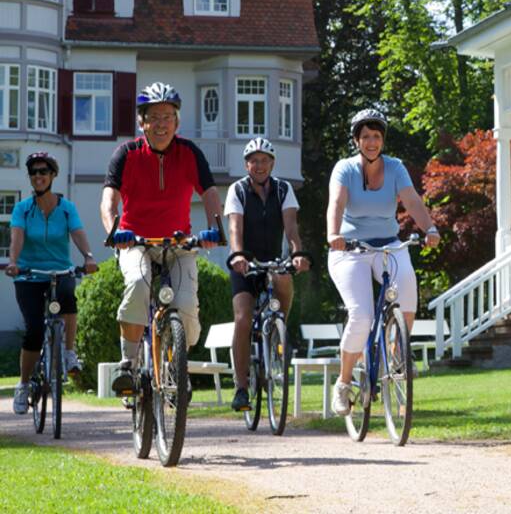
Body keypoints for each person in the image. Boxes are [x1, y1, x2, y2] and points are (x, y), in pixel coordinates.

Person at [100, 82, 223, 396]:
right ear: (142, 123)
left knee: (186, 309)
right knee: (138, 285)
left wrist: (214, 229)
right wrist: (114, 231)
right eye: (154, 117)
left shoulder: (189, 153)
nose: (161, 123)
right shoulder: (126, 154)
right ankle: (128, 363)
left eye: (168, 116)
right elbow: (108, 200)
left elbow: (209, 194)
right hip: (135, 241)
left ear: (177, 122)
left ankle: (174, 358)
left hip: (178, 242)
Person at [326, 109, 440, 416]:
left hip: (389, 244)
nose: (372, 142)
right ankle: (344, 383)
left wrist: (428, 228)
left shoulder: (395, 167)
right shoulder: (345, 169)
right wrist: (333, 233)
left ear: (383, 140)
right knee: (362, 315)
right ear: (357, 140)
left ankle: (398, 354)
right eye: (365, 137)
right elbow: (336, 203)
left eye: (376, 136)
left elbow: (412, 200)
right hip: (350, 249)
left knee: (407, 293)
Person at [6, 152, 98, 415]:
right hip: (29, 275)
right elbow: (17, 237)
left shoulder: (66, 208)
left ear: (53, 175)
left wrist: (88, 257)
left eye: (44, 171)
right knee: (34, 330)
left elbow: (78, 234)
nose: (38, 176)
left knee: (68, 293)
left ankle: (69, 352)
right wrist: (13, 262)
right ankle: (24, 384)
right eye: (34, 172)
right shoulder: (23, 208)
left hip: (59, 271)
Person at [225, 137, 310, 411]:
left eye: (264, 160)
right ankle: (241, 387)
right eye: (254, 161)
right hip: (245, 264)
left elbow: (292, 229)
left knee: (284, 278)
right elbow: (235, 229)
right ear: (247, 164)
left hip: (273, 260)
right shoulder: (237, 190)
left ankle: (278, 330)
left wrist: (297, 254)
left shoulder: (284, 189)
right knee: (243, 318)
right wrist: (238, 255)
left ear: (272, 163)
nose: (259, 165)